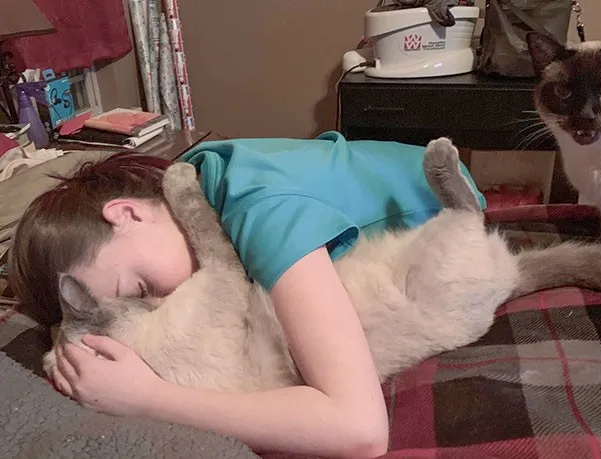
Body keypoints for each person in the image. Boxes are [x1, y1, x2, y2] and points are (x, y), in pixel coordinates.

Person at [9, 131, 485, 458]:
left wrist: (149, 398)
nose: (158, 306)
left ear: (127, 214)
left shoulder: (260, 213)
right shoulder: (196, 182)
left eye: (139, 289)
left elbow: (360, 430)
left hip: (437, 212)